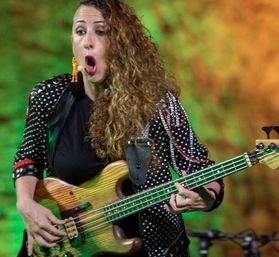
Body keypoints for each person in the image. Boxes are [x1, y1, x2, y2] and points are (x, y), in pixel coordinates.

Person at [13, 0, 224, 256]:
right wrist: (26, 204)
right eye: (80, 32)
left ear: (123, 44)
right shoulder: (48, 96)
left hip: (152, 247)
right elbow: (27, 158)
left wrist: (209, 196)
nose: (87, 41)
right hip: (69, 245)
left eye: (100, 32)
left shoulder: (157, 103)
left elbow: (198, 165)